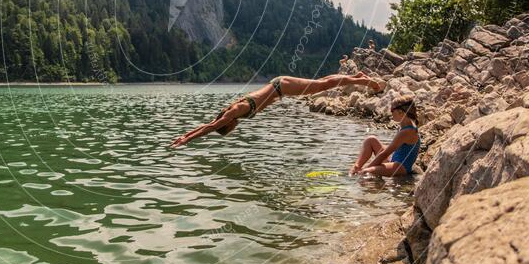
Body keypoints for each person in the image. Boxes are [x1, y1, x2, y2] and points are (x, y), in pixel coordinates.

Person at [170, 72, 386, 148]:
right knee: (320, 83)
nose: (234, 127)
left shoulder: (233, 112)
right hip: (280, 88)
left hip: (281, 86)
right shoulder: (234, 113)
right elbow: (212, 124)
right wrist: (186, 135)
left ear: (228, 123)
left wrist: (187, 138)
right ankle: (357, 78)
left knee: (321, 86)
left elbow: (210, 126)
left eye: (230, 129)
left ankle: (365, 81)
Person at [349, 95, 420, 177]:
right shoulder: (404, 126)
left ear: (400, 112)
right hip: (395, 161)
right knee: (371, 140)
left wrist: (366, 169)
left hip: (401, 167)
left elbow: (385, 154)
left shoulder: (407, 131)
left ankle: (363, 175)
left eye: (392, 110)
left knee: (366, 173)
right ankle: (356, 167)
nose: (391, 113)